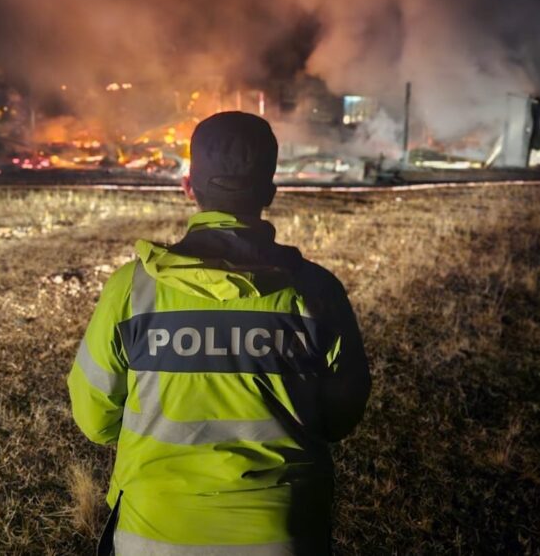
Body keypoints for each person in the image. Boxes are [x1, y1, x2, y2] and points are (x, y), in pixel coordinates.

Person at [68, 111, 371, 555]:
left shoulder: (132, 291)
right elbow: (341, 417)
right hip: (284, 536)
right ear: (270, 191)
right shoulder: (317, 292)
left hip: (152, 536)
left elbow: (95, 419)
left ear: (189, 186)